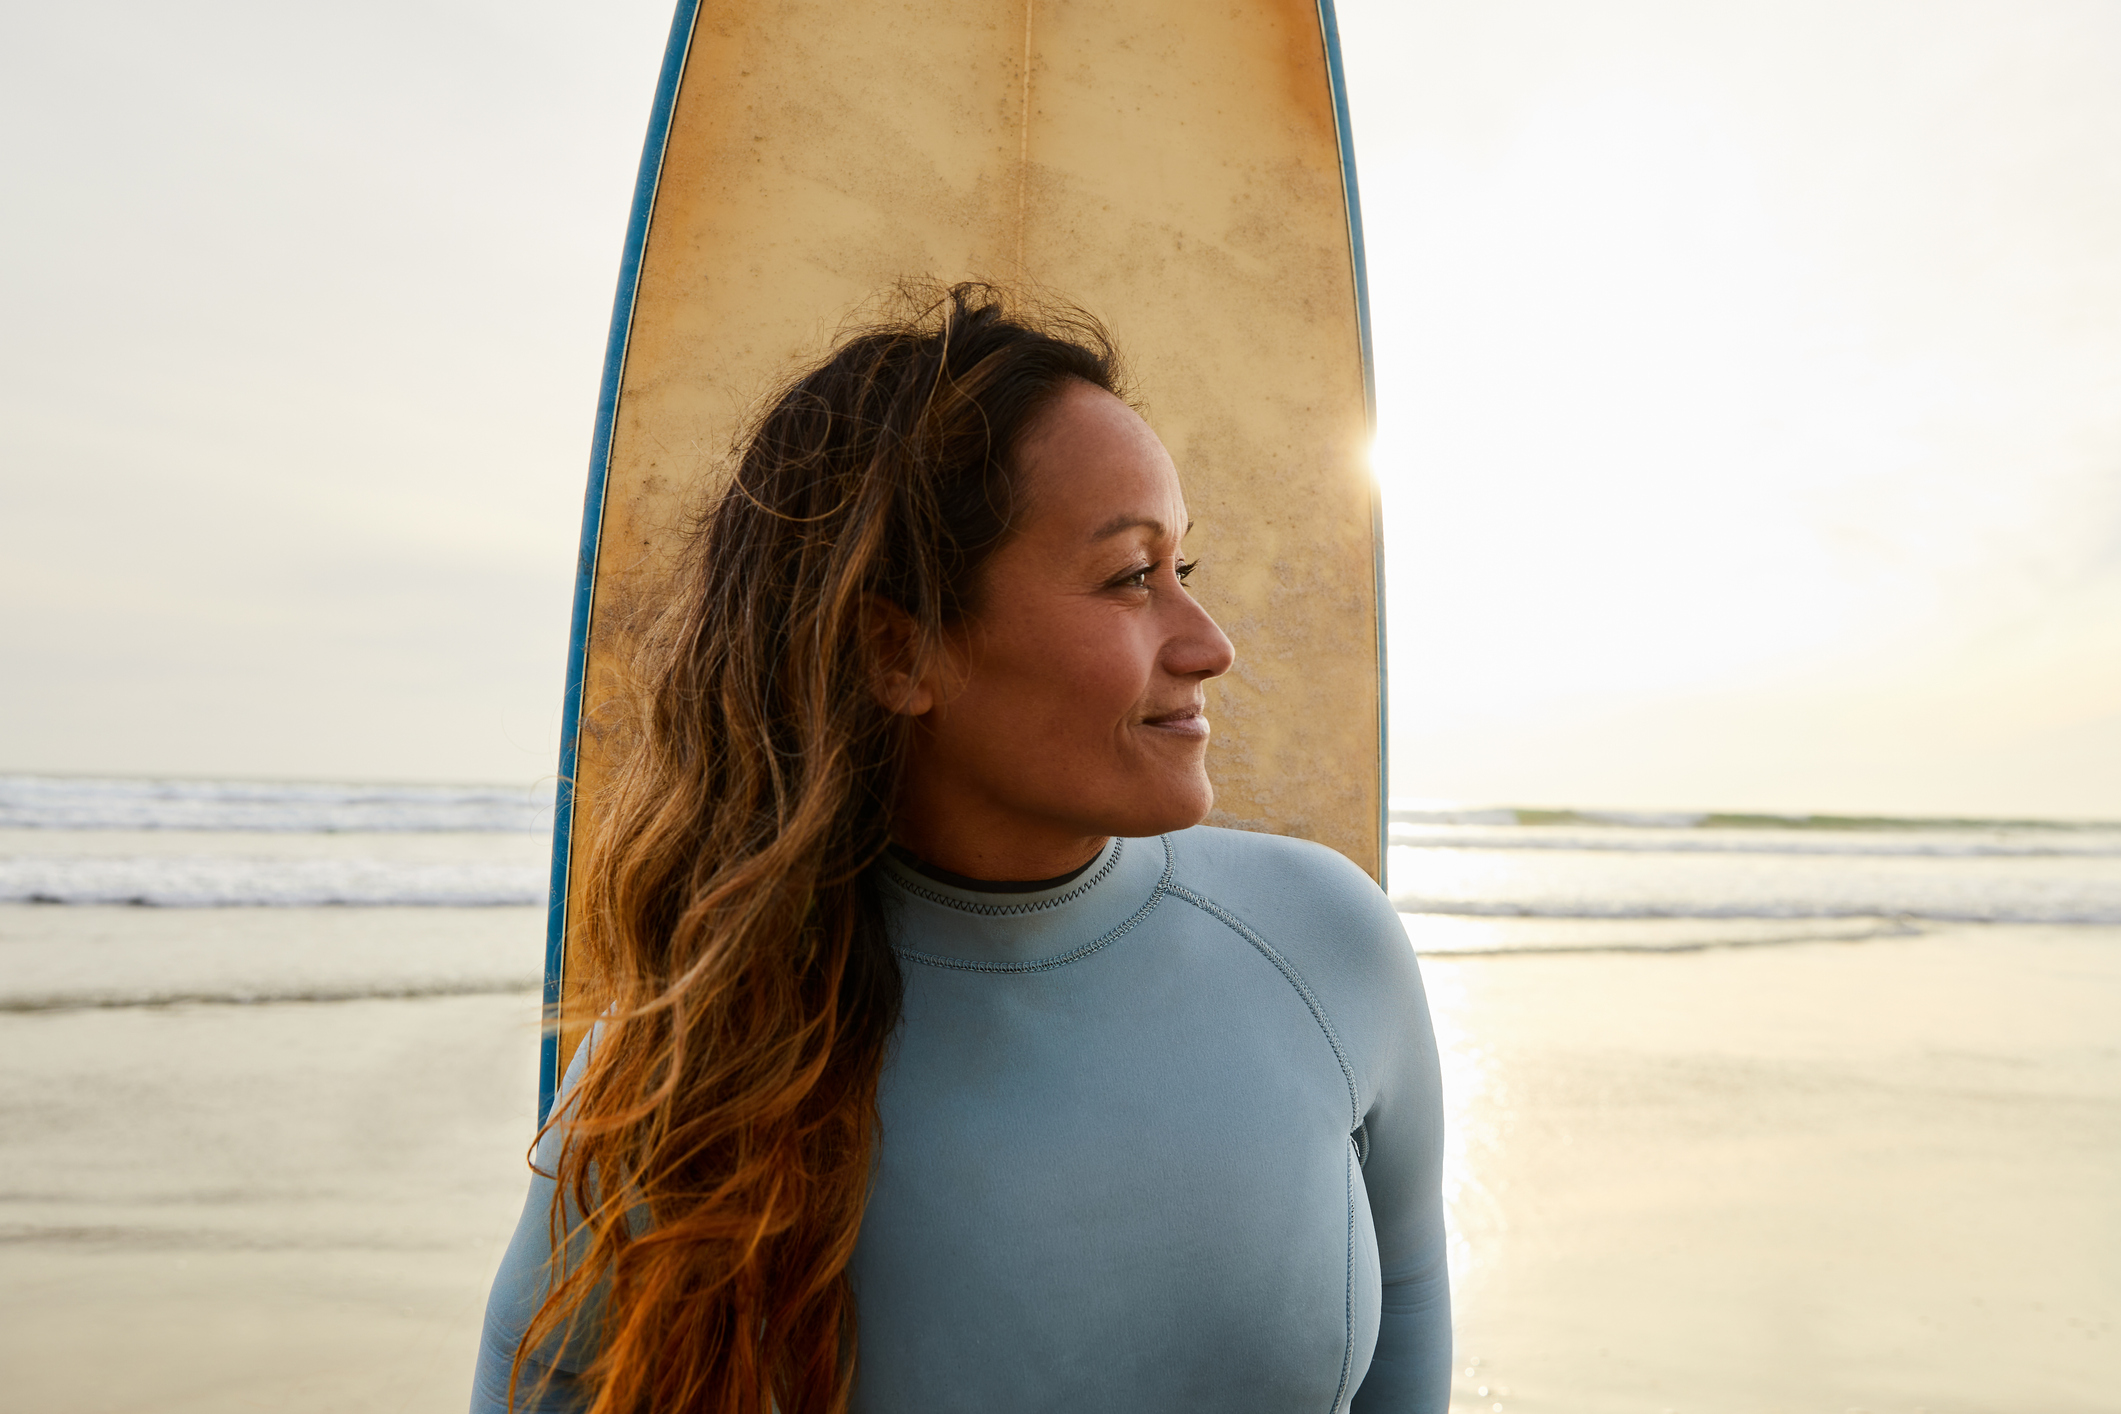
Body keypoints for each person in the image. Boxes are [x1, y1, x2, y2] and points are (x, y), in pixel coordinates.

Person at [472, 285, 1450, 1413]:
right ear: (900, 652)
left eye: (1189, 570)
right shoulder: (695, 1077)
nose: (1210, 643)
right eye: (1132, 576)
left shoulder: (1330, 946)